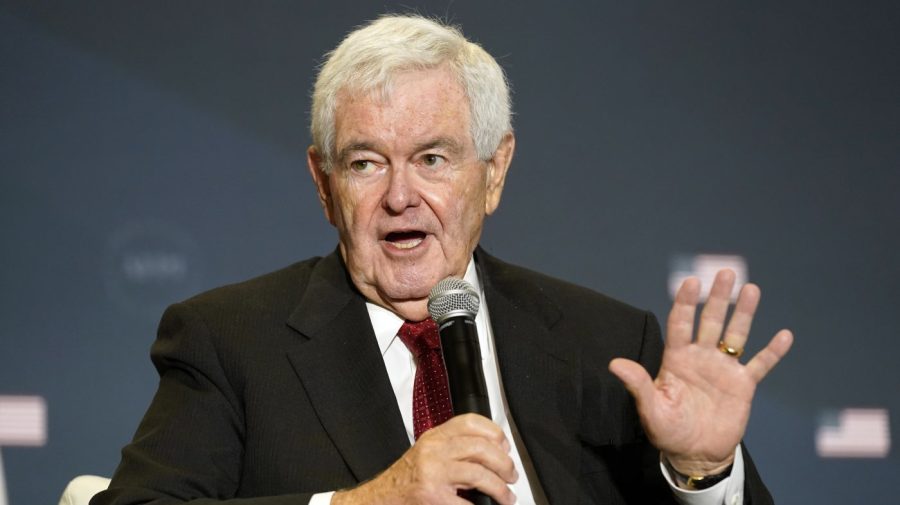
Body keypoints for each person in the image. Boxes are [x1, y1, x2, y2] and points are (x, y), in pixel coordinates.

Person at [92, 14, 793, 505]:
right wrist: (363, 504)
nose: (401, 196)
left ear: (494, 172)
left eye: (433, 158)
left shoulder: (607, 350)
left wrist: (703, 472)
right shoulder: (230, 342)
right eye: (366, 163)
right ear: (322, 183)